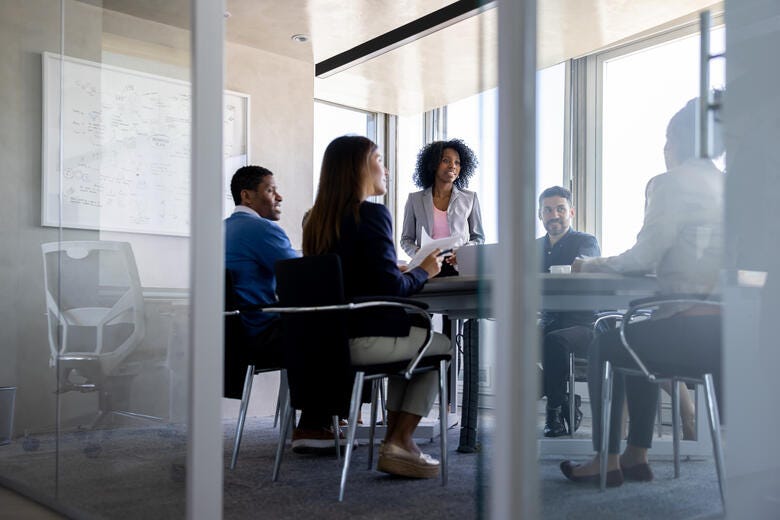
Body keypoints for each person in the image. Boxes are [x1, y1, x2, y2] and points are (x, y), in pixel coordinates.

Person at [561, 94, 724, 486]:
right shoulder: (730, 185)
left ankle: (605, 459)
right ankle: (636, 457)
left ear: (676, 142)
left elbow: (643, 257)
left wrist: (589, 264)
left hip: (690, 330)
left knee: (607, 341)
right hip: (729, 334)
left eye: (666, 142)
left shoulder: (671, 183)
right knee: (632, 333)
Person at [303, 135, 452, 479]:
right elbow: (391, 289)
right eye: (380, 160)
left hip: (328, 343)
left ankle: (397, 443)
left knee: (415, 340)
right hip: (364, 340)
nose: (386, 170)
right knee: (440, 345)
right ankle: (400, 441)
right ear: (358, 167)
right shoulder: (371, 214)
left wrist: (392, 268)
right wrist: (423, 270)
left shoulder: (316, 221)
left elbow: (355, 275)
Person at [224, 165, 342, 453]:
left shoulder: (219, 229)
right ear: (247, 196)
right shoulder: (262, 229)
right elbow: (303, 275)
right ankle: (315, 424)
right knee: (334, 329)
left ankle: (331, 419)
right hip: (262, 332)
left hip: (234, 336)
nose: (279, 197)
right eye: (270, 190)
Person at [536, 186, 600, 437]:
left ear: (571, 212)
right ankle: (564, 398)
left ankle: (553, 413)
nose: (554, 215)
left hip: (583, 323)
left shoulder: (586, 242)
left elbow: (583, 266)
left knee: (553, 341)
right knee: (513, 340)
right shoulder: (533, 247)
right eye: (548, 210)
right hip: (548, 320)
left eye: (560, 209)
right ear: (540, 215)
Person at [400, 138, 484, 273]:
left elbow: (478, 238)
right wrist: (419, 253)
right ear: (434, 163)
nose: (452, 166)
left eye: (457, 162)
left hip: (459, 268)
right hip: (426, 268)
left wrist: (463, 253)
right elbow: (406, 240)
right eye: (446, 160)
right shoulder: (414, 199)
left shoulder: (470, 198)